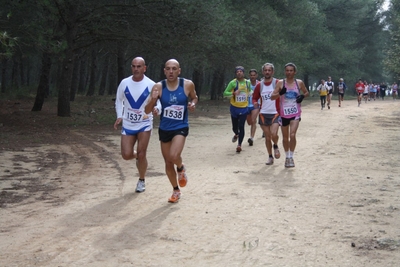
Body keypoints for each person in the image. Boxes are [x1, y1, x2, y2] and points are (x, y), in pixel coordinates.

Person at [145, 59, 198, 203]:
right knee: (168, 162)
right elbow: (147, 110)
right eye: (168, 69)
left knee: (174, 155)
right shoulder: (158, 87)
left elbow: (195, 97)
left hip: (180, 126)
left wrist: (192, 104)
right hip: (165, 128)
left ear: (179, 71)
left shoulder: (187, 84)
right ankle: (176, 190)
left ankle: (181, 168)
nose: (171, 71)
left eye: (174, 69)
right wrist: (153, 100)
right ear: (164, 71)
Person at [114, 57, 161, 193]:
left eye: (139, 66)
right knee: (126, 154)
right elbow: (119, 100)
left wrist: (157, 109)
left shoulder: (151, 84)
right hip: (128, 123)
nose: (136, 69)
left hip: (144, 123)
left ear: (144, 68)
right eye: (134, 66)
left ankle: (141, 180)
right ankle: (138, 157)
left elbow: (158, 101)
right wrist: (119, 116)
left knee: (142, 153)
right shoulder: (124, 83)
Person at [271, 63, 309, 168]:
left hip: (295, 113)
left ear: (294, 72)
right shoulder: (280, 83)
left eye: (291, 70)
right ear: (285, 72)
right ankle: (287, 156)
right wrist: (279, 93)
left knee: (292, 135)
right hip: (284, 114)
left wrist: (302, 96)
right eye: (287, 70)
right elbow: (272, 97)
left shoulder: (299, 83)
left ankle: (291, 157)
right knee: (285, 137)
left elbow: (306, 92)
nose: (289, 72)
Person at [252, 63, 281, 165]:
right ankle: (270, 156)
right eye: (265, 70)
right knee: (268, 137)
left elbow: (284, 94)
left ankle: (276, 145)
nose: (267, 72)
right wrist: (255, 102)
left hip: (276, 113)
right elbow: (254, 97)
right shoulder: (260, 85)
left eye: (269, 70)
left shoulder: (277, 83)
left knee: (274, 134)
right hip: (263, 114)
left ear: (272, 72)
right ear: (263, 72)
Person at [223, 66, 251, 153]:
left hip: (244, 108)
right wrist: (233, 93)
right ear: (235, 74)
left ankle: (239, 145)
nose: (239, 73)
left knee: (241, 126)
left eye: (241, 71)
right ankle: (236, 134)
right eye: (237, 72)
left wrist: (251, 96)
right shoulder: (233, 83)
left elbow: (250, 92)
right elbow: (225, 93)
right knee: (235, 127)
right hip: (234, 107)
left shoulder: (247, 82)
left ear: (243, 73)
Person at [246, 69, 260, 146]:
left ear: (256, 76)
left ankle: (251, 138)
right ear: (249, 76)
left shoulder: (259, 84)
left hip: (256, 104)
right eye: (251, 75)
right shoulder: (246, 83)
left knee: (253, 120)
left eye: (254, 75)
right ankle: (255, 126)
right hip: (246, 104)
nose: (252, 76)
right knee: (249, 122)